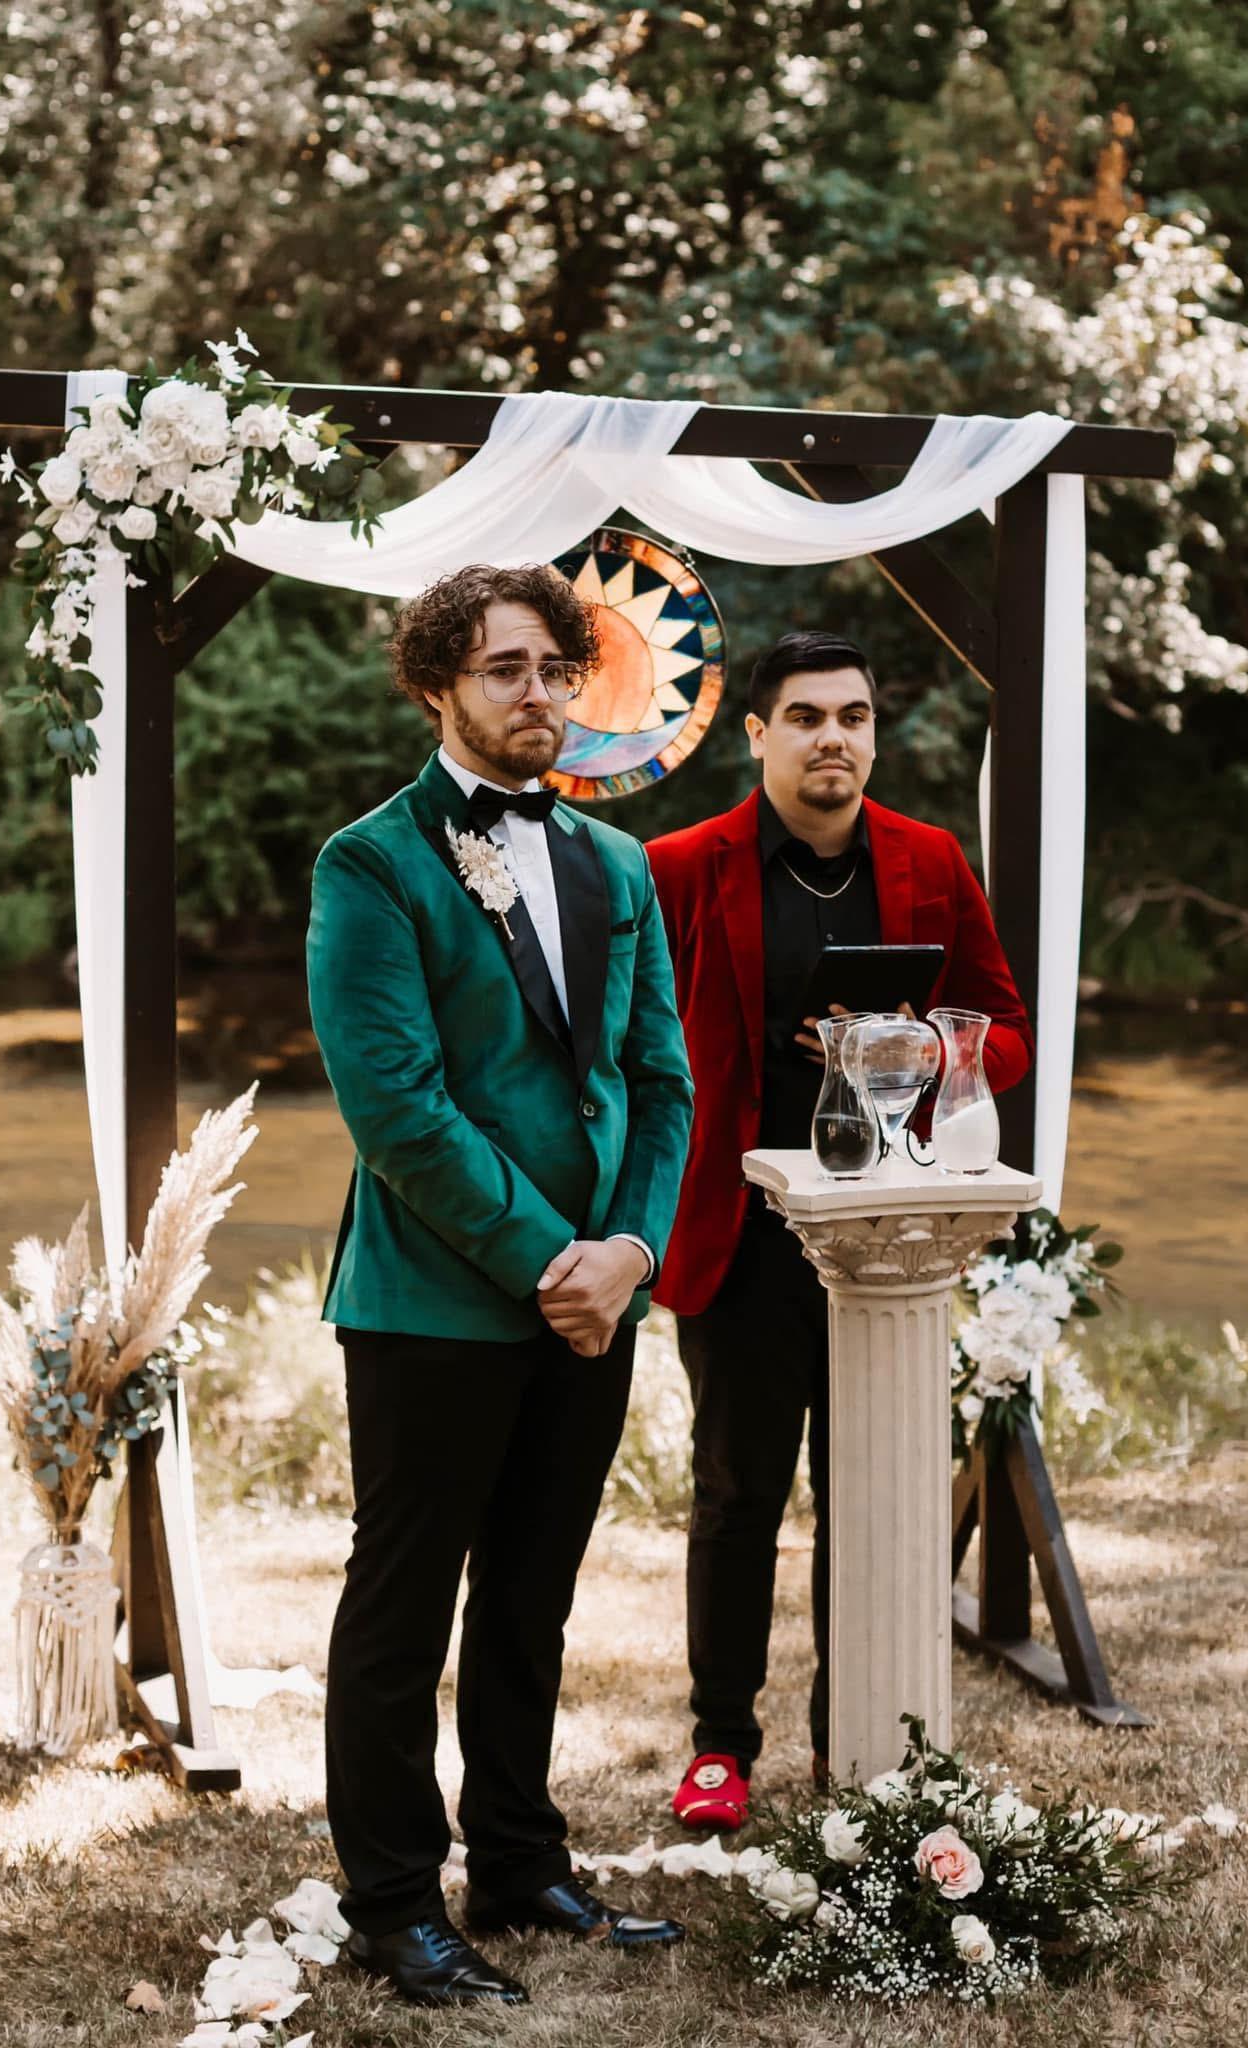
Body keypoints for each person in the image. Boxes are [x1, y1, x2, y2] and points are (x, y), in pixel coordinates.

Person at [307, 563, 695, 2007]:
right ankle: (394, 1904)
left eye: (553, 668)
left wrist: (630, 1254)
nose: (537, 694)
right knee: (402, 1610)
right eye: (503, 669)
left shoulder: (618, 866)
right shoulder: (371, 863)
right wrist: (550, 1260)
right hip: (434, 1301)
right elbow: (397, 1108)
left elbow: (660, 1080)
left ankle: (521, 1860)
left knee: (533, 1596)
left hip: (598, 1295)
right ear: (436, 686)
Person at [646, 630, 1032, 1831]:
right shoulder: (678, 865)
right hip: (740, 1236)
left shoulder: (930, 856)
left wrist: (917, 1053)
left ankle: (850, 1734)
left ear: (874, 733)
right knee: (736, 1495)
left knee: (866, 1493)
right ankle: (722, 1744)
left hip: (888, 1239)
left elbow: (1005, 1029)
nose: (834, 737)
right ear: (758, 734)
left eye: (853, 716)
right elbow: (633, 1046)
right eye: (807, 716)